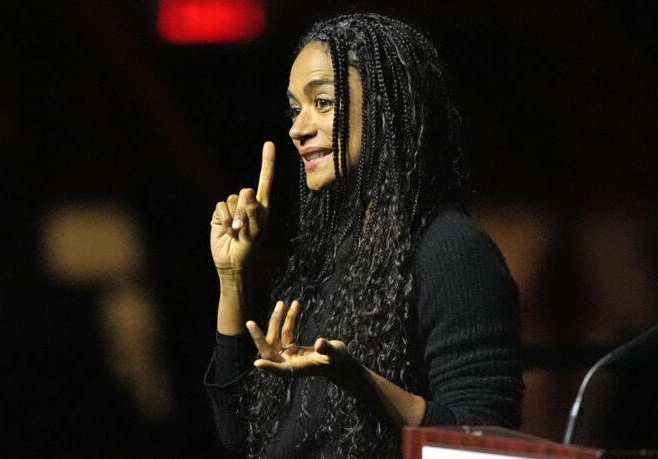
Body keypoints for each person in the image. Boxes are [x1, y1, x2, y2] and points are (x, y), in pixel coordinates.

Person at [205, 13, 522, 458]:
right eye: (295, 109)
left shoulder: (451, 250)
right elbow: (241, 434)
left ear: (387, 109)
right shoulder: (333, 254)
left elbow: (486, 448)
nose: (298, 127)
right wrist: (232, 279)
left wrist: (359, 381)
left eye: (324, 102)